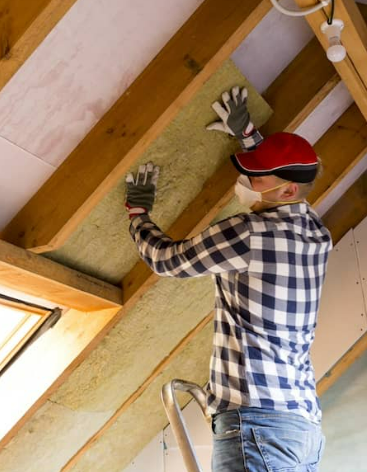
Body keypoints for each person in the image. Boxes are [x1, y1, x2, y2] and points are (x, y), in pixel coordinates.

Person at [124, 86, 332, 471]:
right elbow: (291, 178)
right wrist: (250, 137)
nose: (246, 184)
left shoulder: (249, 233)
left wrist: (138, 214)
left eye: (255, 178)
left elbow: (168, 260)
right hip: (301, 428)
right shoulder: (318, 234)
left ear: (286, 189)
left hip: (257, 424)